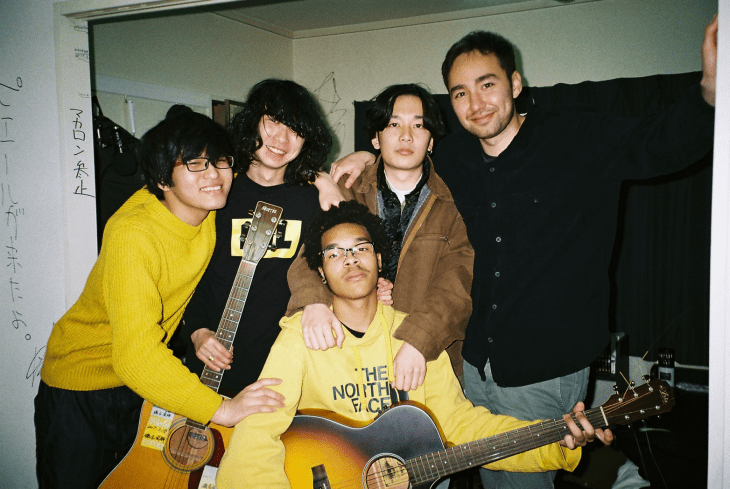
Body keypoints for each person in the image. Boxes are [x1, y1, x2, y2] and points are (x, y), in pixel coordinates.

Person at [323, 15, 718, 488]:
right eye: (460, 93)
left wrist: (710, 94)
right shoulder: (455, 158)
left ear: (514, 82)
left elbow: (659, 143)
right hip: (469, 364)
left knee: (515, 482)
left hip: (542, 368)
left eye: (487, 84)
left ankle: (613, 473)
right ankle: (612, 471)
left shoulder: (576, 137)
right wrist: (362, 156)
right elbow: (403, 154)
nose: (476, 103)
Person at [215, 201, 612, 488]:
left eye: (360, 248)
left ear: (379, 258)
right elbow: (257, 433)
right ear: (319, 271)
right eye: (335, 253)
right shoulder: (299, 337)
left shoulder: (415, 339)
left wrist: (554, 440)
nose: (350, 259)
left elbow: (461, 425)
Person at [34, 111, 285, 489]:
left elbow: (271, 177)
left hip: (144, 385)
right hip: (82, 387)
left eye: (219, 161)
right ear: (163, 179)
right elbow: (135, 355)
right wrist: (222, 409)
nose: (213, 175)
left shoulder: (210, 209)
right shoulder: (134, 233)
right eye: (195, 164)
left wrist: (335, 174)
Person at [287, 84, 474, 389]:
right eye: (393, 124)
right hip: (349, 358)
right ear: (376, 138)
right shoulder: (345, 192)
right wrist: (315, 303)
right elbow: (309, 260)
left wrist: (418, 340)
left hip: (426, 361)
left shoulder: (456, 203)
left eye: (419, 125)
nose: (406, 136)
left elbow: (456, 285)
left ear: (431, 142)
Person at [179, 79, 333, 396]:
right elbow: (191, 273)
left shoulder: (314, 201)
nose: (281, 138)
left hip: (282, 366)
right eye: (273, 121)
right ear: (253, 123)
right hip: (210, 359)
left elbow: (328, 267)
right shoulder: (216, 192)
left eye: (295, 128)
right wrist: (196, 331)